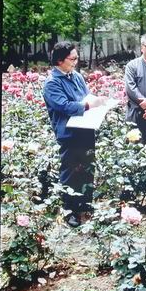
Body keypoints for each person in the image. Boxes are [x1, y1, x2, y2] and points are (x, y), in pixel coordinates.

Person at [43, 42, 106, 227]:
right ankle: (70, 210)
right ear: (60, 60)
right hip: (68, 134)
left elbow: (85, 96)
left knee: (87, 167)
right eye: (73, 59)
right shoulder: (52, 83)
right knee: (70, 171)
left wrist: (98, 101)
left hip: (85, 128)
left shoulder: (76, 76)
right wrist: (88, 105)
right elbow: (64, 106)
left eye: (77, 58)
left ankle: (84, 204)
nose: (76, 62)